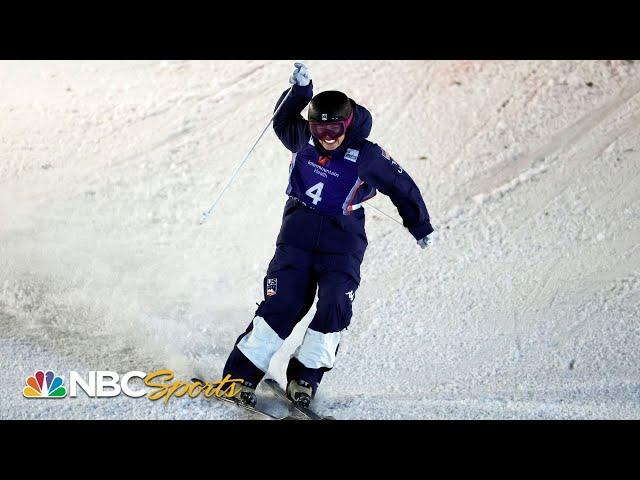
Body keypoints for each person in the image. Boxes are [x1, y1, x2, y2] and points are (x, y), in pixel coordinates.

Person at [221, 62, 434, 408]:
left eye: (335, 127)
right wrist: (300, 92)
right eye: (320, 128)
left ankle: (305, 378)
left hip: (343, 238)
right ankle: (240, 378)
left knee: (336, 304)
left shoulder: (366, 154)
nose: (328, 136)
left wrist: (420, 225)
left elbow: (401, 185)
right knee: (283, 304)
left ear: (347, 124)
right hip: (297, 234)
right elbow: (281, 120)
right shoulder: (303, 138)